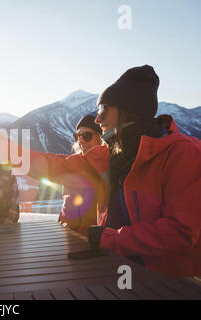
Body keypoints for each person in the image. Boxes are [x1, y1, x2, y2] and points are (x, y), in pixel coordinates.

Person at [83, 65, 201, 278]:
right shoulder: (120, 156)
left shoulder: (183, 153)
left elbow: (180, 231)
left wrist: (110, 239)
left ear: (128, 110)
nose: (97, 119)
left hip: (168, 284)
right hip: (119, 272)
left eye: (104, 109)